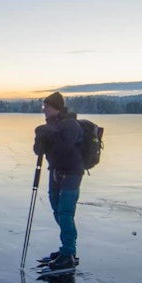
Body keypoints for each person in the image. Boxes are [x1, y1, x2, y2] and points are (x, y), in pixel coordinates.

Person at [33, 91, 84, 271]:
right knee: (57, 209)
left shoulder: (70, 125)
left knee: (65, 212)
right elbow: (39, 151)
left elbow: (65, 147)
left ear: (56, 108)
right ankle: (67, 250)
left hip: (71, 173)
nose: (44, 110)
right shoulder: (51, 126)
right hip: (55, 172)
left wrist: (49, 132)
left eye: (46, 107)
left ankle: (68, 252)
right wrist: (39, 137)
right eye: (43, 107)